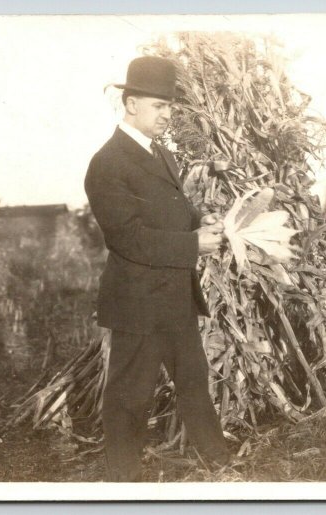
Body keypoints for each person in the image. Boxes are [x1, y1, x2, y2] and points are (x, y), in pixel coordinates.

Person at [84, 56, 231, 482]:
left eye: (170, 108)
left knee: (193, 384)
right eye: (158, 107)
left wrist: (198, 221)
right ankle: (123, 484)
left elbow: (173, 213)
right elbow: (126, 237)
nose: (167, 116)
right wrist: (191, 244)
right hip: (137, 301)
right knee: (130, 396)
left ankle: (220, 465)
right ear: (130, 104)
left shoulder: (161, 154)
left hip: (174, 296)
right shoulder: (108, 162)